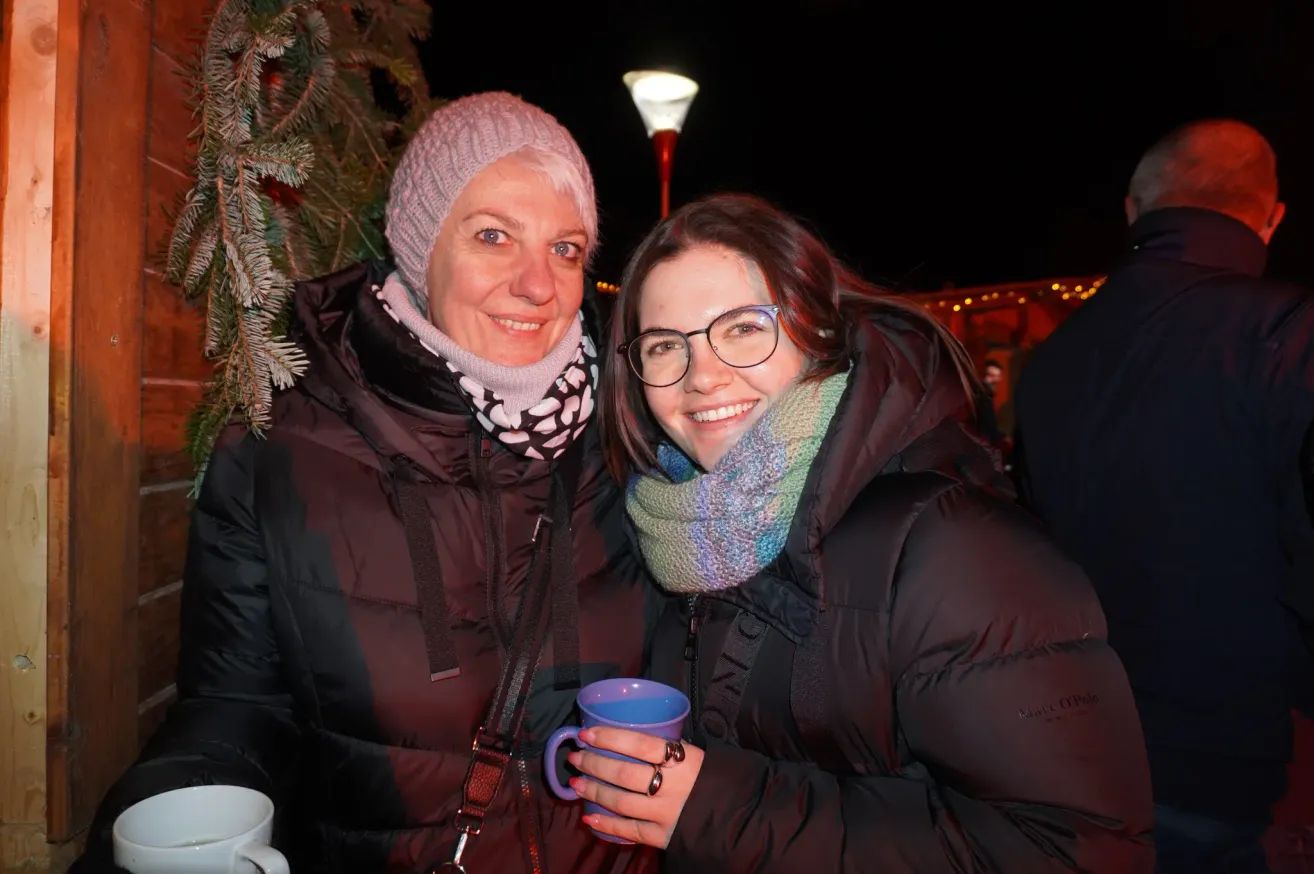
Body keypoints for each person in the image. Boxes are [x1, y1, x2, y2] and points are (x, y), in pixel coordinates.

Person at [69, 93, 657, 874]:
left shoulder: (630, 437)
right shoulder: (282, 449)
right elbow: (234, 711)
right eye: (492, 236)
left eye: (566, 249)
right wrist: (174, 827)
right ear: (420, 247)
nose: (537, 285)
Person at [570, 193, 1155, 872]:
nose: (702, 376)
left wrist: (716, 809)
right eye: (666, 345)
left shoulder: (955, 548)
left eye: (743, 329)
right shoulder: (678, 529)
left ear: (819, 331)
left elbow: (1076, 850)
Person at [1013, 119, 1314, 873]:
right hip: (1220, 761)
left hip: (1068, 737)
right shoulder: (1287, 331)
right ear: (1272, 216)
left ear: (1132, 209)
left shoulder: (1055, 355)